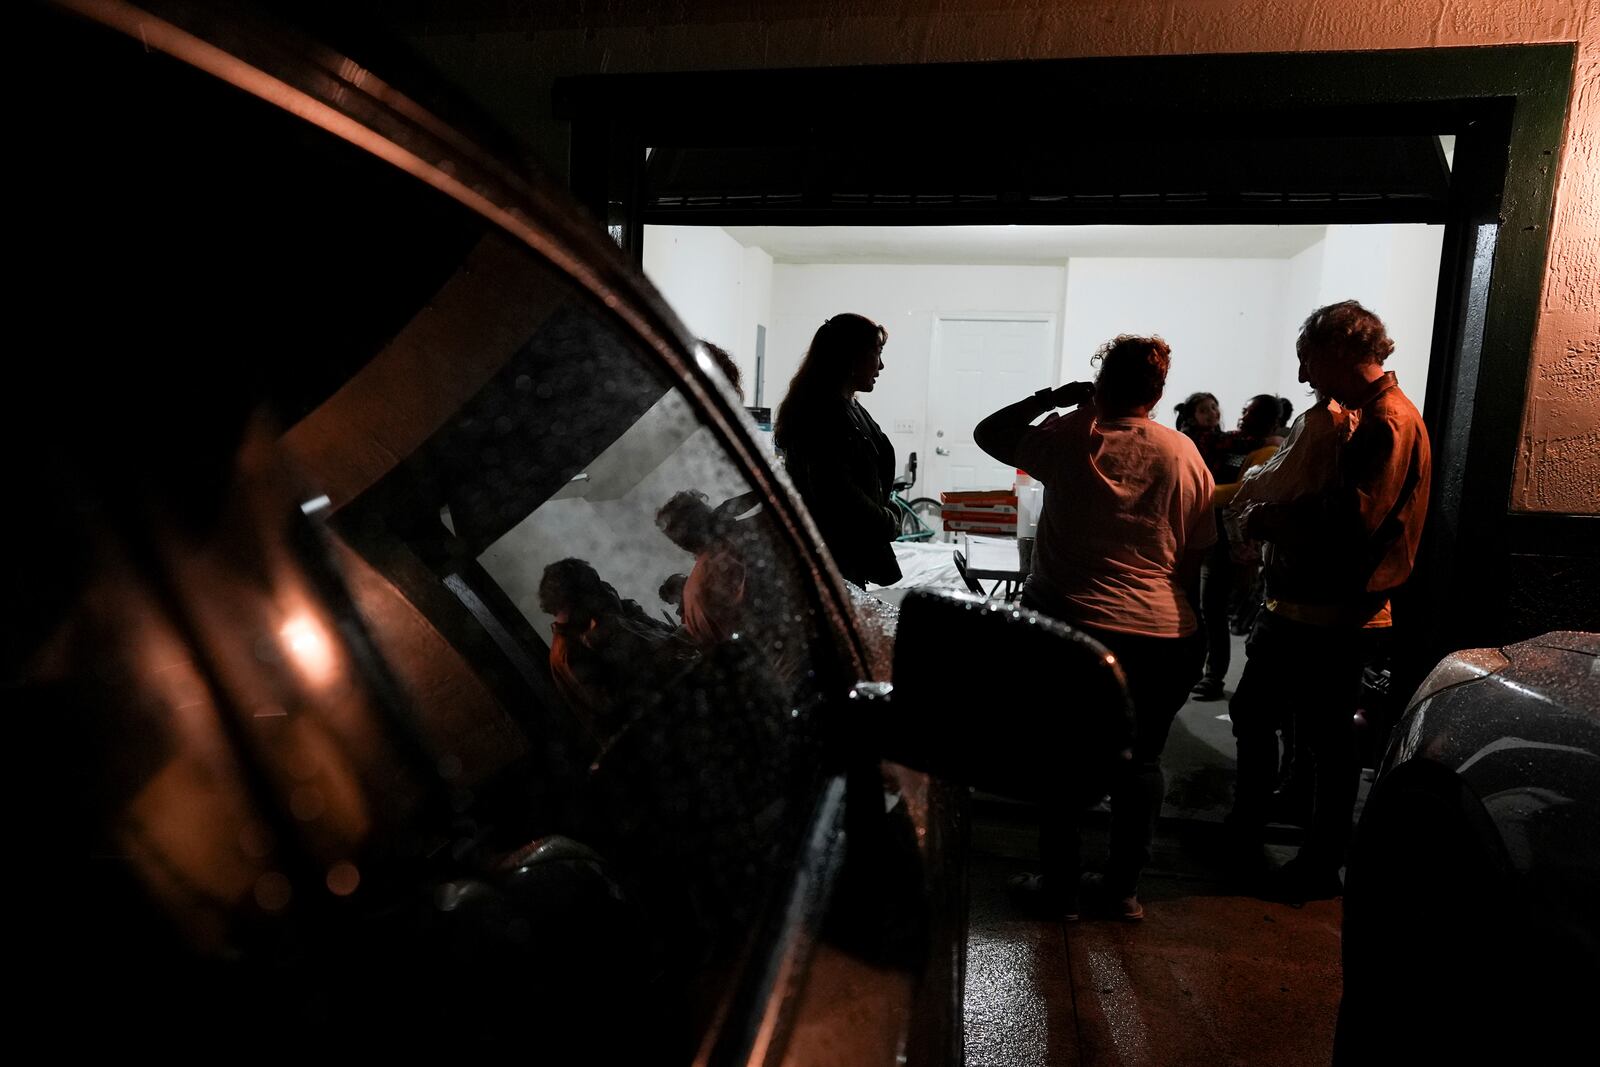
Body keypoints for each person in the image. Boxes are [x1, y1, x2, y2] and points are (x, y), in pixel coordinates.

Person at [974, 335, 1214, 921]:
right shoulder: (1184, 454)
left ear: (1101, 381)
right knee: (1143, 761)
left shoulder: (1068, 437)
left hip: (1075, 629)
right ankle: (1122, 889)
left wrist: (1057, 397)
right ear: (1158, 392)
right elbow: (1194, 556)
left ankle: (1059, 890)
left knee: (1064, 759)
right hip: (1164, 632)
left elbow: (989, 432)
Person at [1225, 301, 1431, 902]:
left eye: (1307, 359)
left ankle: (1318, 862)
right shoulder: (1364, 415)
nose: (1302, 377)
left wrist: (1270, 517)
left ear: (1341, 349)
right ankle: (1269, 829)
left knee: (1323, 740)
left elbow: (1352, 519)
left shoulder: (1385, 422)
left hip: (1335, 615)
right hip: (1309, 608)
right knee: (1273, 718)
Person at [774, 313, 902, 587]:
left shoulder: (847, 406)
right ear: (852, 357)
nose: (881, 366)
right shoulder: (820, 414)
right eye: (877, 353)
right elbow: (839, 495)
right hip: (829, 559)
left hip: (846, 556)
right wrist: (888, 521)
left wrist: (888, 511)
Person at [1190, 394, 1282, 700]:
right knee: (1205, 608)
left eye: (1250, 412)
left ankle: (1213, 675)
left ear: (1268, 420)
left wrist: (1201, 493)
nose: (1242, 416)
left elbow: (1242, 492)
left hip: (1233, 543)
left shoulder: (1267, 451)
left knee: (1213, 608)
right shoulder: (1234, 443)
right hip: (1210, 534)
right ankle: (1201, 671)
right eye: (1243, 409)